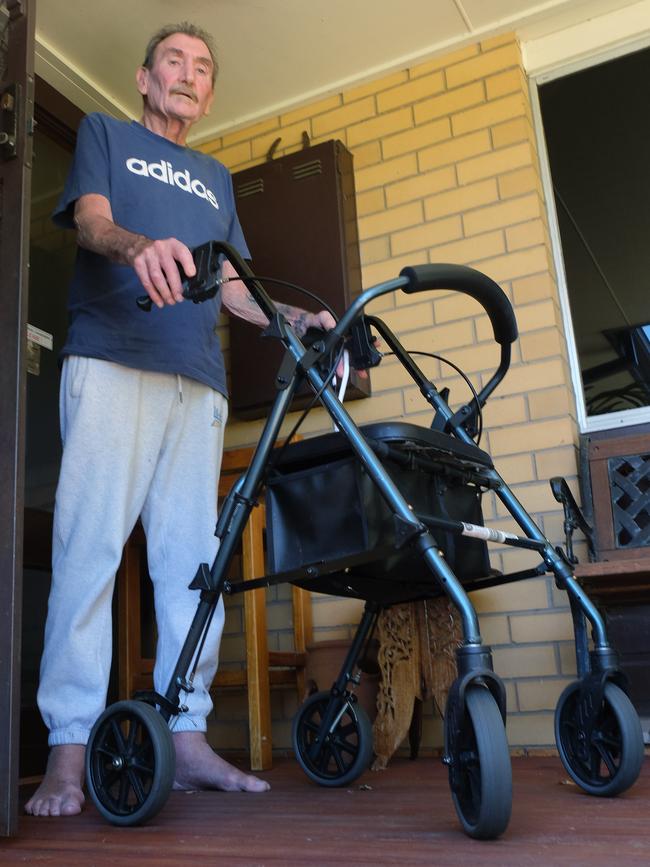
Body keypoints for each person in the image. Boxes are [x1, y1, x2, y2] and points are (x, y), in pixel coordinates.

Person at [25, 21, 337, 817]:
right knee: (89, 549)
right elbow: (91, 222)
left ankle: (187, 733)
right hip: (111, 359)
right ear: (144, 76)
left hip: (197, 384)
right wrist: (139, 247)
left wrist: (294, 320)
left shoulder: (216, 176)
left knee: (191, 562)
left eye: (202, 67)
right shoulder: (103, 132)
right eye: (174, 61)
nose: (188, 75)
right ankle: (68, 745)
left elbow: (234, 286)